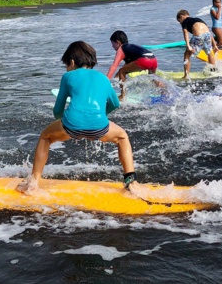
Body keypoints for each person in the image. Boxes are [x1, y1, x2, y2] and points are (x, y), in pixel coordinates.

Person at [17, 41, 140, 195]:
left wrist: (65, 124)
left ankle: (33, 181)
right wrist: (98, 118)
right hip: (100, 126)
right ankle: (131, 182)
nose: (67, 69)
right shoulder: (103, 78)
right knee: (122, 137)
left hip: (71, 124)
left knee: (45, 137)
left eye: (66, 65)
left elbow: (57, 111)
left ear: (72, 62)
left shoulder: (68, 76)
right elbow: (115, 103)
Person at [106, 31, 158, 100]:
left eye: (112, 43)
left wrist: (106, 81)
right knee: (153, 79)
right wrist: (116, 76)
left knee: (122, 71)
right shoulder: (130, 48)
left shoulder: (121, 49)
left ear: (118, 43)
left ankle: (122, 96)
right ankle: (164, 91)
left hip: (144, 60)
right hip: (153, 60)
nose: (112, 46)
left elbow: (114, 66)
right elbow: (127, 65)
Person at [176, 9, 218, 77]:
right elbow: (209, 32)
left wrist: (188, 45)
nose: (180, 23)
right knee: (210, 53)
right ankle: (214, 72)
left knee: (186, 54)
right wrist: (214, 45)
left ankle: (186, 76)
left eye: (179, 21)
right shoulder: (198, 19)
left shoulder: (185, 21)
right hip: (207, 35)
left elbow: (185, 32)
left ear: (181, 16)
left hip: (199, 36)